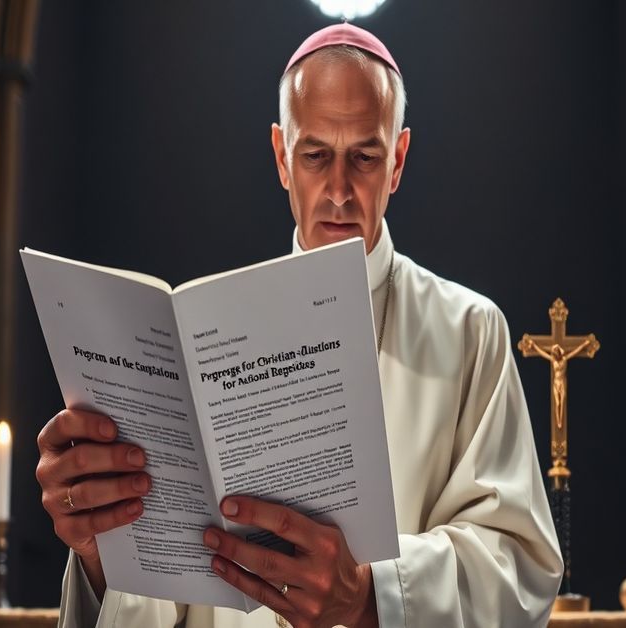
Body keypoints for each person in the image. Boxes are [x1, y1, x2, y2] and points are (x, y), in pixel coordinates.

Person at [36, 23, 562, 627]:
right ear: (282, 156)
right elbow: (167, 590)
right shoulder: (204, 334)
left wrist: (369, 594)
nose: (339, 191)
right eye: (315, 155)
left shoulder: (469, 331)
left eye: (364, 156)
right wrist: (102, 553)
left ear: (398, 161)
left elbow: (518, 570)